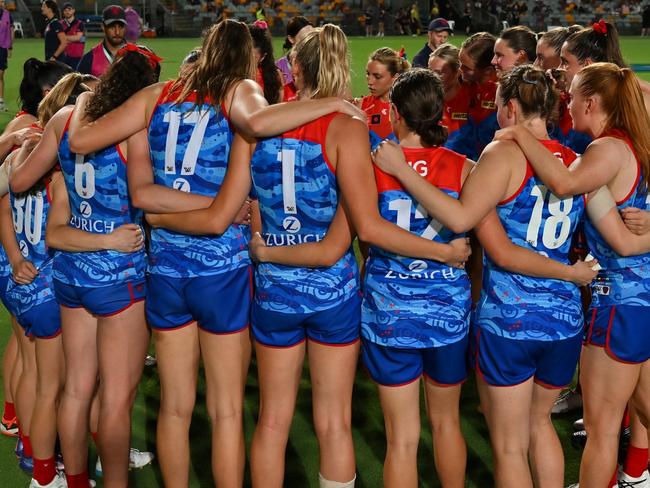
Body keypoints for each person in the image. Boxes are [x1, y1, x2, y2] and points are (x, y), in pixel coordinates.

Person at [142, 25, 471, 488]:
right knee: (333, 421)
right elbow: (356, 233)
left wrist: (170, 221)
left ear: (295, 67)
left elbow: (226, 211)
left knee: (272, 421)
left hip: (274, 289)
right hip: (330, 293)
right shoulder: (347, 127)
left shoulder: (255, 127)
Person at [65, 19, 368, 488]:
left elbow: (84, 142)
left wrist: (85, 100)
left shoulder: (158, 96)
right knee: (226, 411)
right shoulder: (237, 90)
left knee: (173, 406)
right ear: (244, 57)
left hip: (166, 270)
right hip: (220, 270)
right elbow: (259, 123)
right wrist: (333, 101)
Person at [372, 64, 600, 488]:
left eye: (497, 104)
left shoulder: (500, 156)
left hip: (509, 319)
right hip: (564, 319)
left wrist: (403, 170)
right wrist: (572, 271)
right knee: (541, 426)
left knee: (510, 446)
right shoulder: (574, 161)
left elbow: (479, 232)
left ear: (510, 107)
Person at [493, 62, 650, 488]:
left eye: (573, 92)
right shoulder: (639, 138)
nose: (566, 100)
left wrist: (520, 133)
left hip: (618, 302)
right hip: (642, 298)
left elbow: (563, 184)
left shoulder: (607, 150)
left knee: (600, 434)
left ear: (591, 102)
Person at [11, 45, 161, 488]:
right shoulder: (134, 126)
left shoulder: (64, 119)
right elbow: (146, 199)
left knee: (76, 390)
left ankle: (75, 481)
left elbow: (19, 181)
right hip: (119, 274)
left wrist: (19, 144)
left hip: (71, 271)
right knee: (115, 399)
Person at [3, 72, 91, 488]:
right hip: (45, 283)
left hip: (16, 277)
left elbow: (3, 205)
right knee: (52, 387)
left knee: (30, 367)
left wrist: (15, 256)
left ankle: (26, 445)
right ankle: (44, 472)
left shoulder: (28, 146)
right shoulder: (62, 164)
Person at [449, 32, 498, 161]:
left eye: (466, 67)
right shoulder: (463, 85)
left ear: (487, 70)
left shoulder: (503, 92)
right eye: (460, 63)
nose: (460, 70)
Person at [355, 47, 409, 149]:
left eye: (377, 76)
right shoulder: (361, 106)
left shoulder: (411, 108)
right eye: (368, 74)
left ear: (395, 78)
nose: (370, 81)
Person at [428, 43, 472, 152]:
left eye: (439, 73)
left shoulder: (473, 96)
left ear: (457, 72)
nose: (432, 77)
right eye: (429, 71)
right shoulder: (424, 100)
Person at [77, 5, 127, 77]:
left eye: (120, 26)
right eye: (112, 27)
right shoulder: (89, 59)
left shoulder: (136, 56)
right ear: (103, 27)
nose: (117, 32)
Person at [275, 16, 313, 96]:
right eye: (304, 38)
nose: (310, 42)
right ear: (291, 39)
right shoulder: (279, 68)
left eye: (313, 37)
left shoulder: (321, 64)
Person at [249, 21, 282, 105]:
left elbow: (278, 110)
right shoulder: (229, 77)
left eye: (253, 58)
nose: (246, 62)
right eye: (243, 55)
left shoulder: (274, 77)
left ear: (263, 57)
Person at [60, 2, 85, 70]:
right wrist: (71, 38)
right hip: (63, 56)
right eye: (65, 10)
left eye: (69, 9)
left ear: (73, 10)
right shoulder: (60, 24)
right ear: (63, 12)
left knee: (75, 77)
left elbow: (78, 38)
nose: (67, 11)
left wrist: (63, 37)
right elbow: (58, 39)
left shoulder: (80, 24)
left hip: (77, 56)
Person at [0, 0, 13, 112]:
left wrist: (10, 47)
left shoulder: (7, 14)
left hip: (2, 47)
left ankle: (0, 101)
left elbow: (10, 30)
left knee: (0, 74)